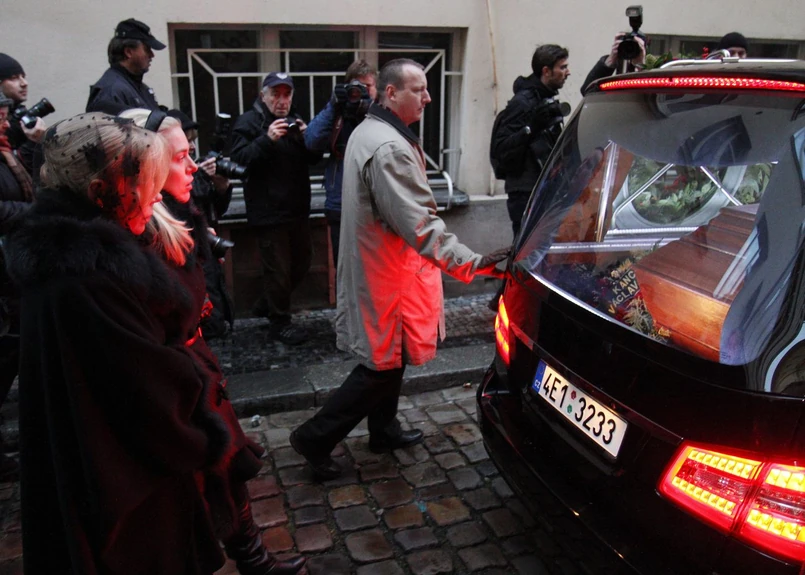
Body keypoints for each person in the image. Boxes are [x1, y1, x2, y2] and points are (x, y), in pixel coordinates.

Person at [3, 113, 228, 573]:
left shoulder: (67, 256)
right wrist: (194, 392)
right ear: (102, 190)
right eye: (144, 184)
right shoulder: (87, 276)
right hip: (122, 479)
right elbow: (147, 390)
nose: (155, 197)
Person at [289, 59, 509, 480]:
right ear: (390, 93)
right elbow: (420, 224)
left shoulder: (372, 130)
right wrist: (473, 262)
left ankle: (383, 429)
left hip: (384, 268)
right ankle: (314, 437)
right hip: (388, 276)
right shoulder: (387, 146)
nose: (428, 98)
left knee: (394, 355)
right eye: (418, 89)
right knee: (381, 364)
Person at [121, 107, 306, 575]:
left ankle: (254, 558)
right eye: (179, 157)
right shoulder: (136, 232)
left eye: (190, 154)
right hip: (173, 382)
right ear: (145, 164)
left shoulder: (174, 210)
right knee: (195, 482)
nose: (190, 166)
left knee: (227, 467)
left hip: (196, 366)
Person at [230, 72, 323, 345]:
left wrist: (309, 138)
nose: (282, 101)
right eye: (276, 94)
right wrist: (266, 140)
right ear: (263, 96)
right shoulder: (249, 122)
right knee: (278, 271)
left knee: (303, 263)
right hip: (268, 212)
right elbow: (237, 161)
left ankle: (267, 304)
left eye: (287, 94)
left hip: (297, 209)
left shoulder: (295, 121)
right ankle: (279, 323)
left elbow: (314, 159)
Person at [167, 108, 235, 339]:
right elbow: (185, 206)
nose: (192, 147)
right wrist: (201, 178)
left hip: (207, 251)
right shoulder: (170, 179)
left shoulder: (191, 167)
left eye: (192, 141)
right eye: (187, 141)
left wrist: (221, 187)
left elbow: (215, 209)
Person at [490, 44, 570, 238]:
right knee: (527, 247)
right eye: (562, 67)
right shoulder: (523, 102)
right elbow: (502, 147)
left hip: (544, 188)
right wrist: (531, 129)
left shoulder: (544, 99)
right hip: (526, 192)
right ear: (546, 71)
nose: (567, 73)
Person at [305, 59, 377, 268]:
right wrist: (333, 105)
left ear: (376, 88)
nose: (361, 92)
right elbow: (311, 141)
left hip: (374, 206)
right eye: (357, 87)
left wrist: (370, 109)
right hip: (340, 202)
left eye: (367, 86)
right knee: (344, 268)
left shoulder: (382, 113)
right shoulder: (338, 113)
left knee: (373, 270)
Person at [0, 93, 33, 481]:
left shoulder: (8, 153)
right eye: (0, 117)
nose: (6, 124)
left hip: (13, 271)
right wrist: (31, 212)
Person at [86, 18, 165, 114]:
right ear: (128, 52)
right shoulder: (112, 90)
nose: (152, 55)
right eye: (147, 49)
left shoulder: (136, 86)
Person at [0, 53, 47, 179]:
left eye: (23, 77)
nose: (24, 83)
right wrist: (32, 144)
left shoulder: (18, 116)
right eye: (14, 78)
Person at [579, 32, 647, 95]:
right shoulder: (615, 61)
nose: (629, 48)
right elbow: (586, 91)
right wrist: (610, 60)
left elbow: (649, 95)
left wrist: (641, 66)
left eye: (635, 45)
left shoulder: (651, 67)